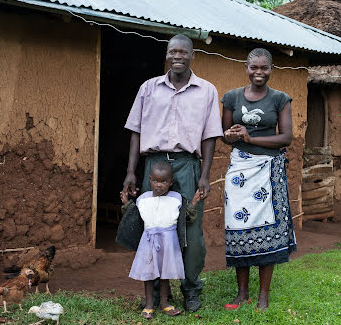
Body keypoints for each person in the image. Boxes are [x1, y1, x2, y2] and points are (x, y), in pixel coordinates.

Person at [122, 34, 223, 312]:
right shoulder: (148, 88)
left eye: (182, 52)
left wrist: (204, 174)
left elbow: (210, 137)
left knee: (190, 230)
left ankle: (190, 289)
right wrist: (132, 172)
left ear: (192, 56)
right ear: (167, 55)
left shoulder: (207, 91)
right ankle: (154, 293)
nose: (177, 57)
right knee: (152, 228)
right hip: (153, 166)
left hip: (188, 165)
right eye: (172, 52)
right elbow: (135, 132)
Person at [221, 48, 297, 310]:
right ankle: (242, 293)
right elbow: (225, 134)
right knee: (237, 228)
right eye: (254, 67)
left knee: (269, 230)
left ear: (271, 69)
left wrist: (251, 138)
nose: (259, 72)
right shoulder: (231, 97)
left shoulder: (280, 99)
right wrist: (232, 135)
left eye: (264, 68)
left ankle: (263, 295)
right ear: (246, 67)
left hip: (268, 169)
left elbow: (286, 137)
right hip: (239, 169)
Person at [120, 161, 201, 319]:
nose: (159, 185)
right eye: (156, 181)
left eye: (164, 181)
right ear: (150, 180)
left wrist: (194, 202)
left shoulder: (176, 198)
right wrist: (126, 204)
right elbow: (135, 219)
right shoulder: (142, 199)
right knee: (149, 274)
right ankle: (149, 304)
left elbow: (185, 218)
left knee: (166, 274)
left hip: (169, 242)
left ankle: (164, 303)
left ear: (171, 182)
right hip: (148, 242)